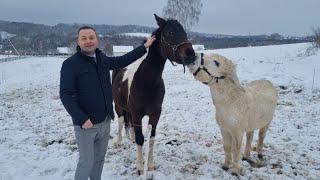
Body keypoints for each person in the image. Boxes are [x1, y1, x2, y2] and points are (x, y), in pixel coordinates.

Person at [60, 26, 155, 180]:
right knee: (86, 162)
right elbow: (65, 95)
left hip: (105, 121)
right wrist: (82, 119)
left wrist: (144, 47)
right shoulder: (71, 64)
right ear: (78, 41)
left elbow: (123, 60)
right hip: (86, 126)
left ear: (96, 40)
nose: (88, 41)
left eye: (91, 37)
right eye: (84, 38)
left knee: (99, 161)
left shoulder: (102, 59)